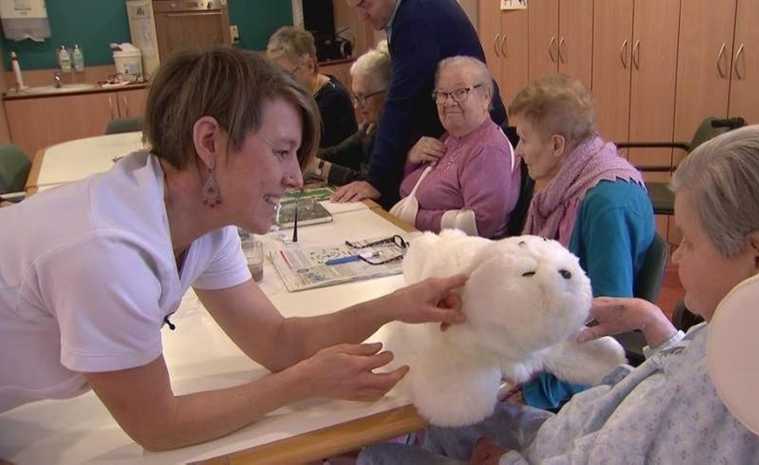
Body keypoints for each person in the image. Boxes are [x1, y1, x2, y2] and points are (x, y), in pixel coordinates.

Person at [0, 47, 468, 451]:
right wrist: (302, 382)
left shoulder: (204, 224)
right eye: (282, 151)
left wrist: (394, 305)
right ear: (209, 142)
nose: (295, 177)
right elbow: (158, 426)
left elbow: (277, 341)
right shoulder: (107, 251)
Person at [356, 118, 759, 465]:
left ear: (758, 255)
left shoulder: (739, 401)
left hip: (560, 448)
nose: (677, 258)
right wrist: (658, 328)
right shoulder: (754, 339)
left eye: (689, 241)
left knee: (375, 454)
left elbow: (630, 446)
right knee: (450, 415)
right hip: (577, 427)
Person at [509, 74, 655, 409]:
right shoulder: (564, 182)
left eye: (524, 139)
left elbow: (609, 321)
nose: (518, 152)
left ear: (557, 144)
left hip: (576, 371)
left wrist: (536, 392)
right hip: (548, 336)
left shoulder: (606, 203)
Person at [334, 0, 507, 208]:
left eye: (365, 4)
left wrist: (376, 179)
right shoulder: (408, 12)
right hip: (456, 133)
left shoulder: (415, 16)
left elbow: (400, 101)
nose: (362, 16)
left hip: (474, 133)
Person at [389, 56, 519, 238]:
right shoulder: (451, 138)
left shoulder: (488, 149)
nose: (449, 102)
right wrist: (412, 160)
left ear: (486, 96)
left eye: (460, 92)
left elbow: (478, 224)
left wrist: (415, 217)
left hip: (464, 256)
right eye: (442, 94)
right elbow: (410, 189)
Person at [307, 41, 391, 186]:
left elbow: (373, 184)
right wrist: (303, 157)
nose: (357, 106)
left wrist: (321, 168)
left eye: (363, 97)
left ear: (388, 92)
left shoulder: (396, 135)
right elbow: (338, 153)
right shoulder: (370, 127)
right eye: (356, 97)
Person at [266, 26, 358, 149]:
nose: (281, 85)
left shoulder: (334, 100)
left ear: (310, 66)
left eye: (287, 76)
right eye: (276, 77)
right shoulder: (299, 96)